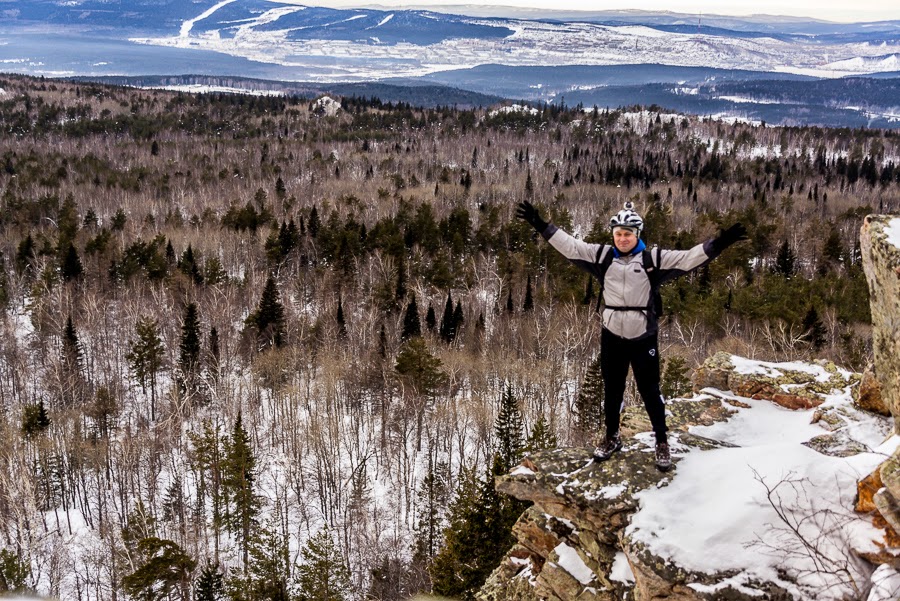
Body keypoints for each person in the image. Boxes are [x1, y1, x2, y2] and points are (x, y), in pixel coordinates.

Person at [516, 200, 747, 471]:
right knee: (612, 390)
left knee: (650, 390)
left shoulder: (653, 261)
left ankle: (661, 442)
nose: (623, 238)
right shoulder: (603, 257)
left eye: (628, 233)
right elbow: (571, 247)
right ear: (612, 235)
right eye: (618, 234)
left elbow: (689, 257)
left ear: (637, 234)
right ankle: (612, 438)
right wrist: (541, 225)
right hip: (612, 335)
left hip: (642, 337)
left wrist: (720, 243)